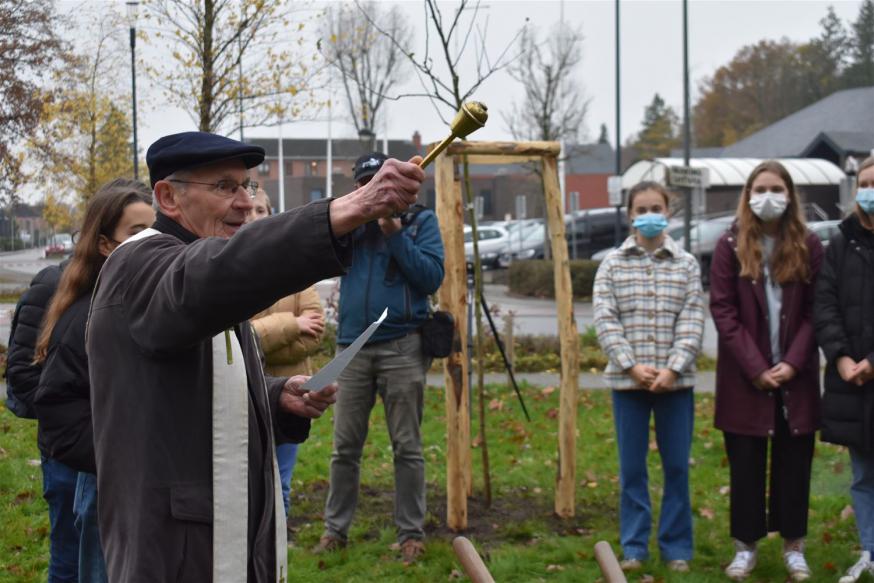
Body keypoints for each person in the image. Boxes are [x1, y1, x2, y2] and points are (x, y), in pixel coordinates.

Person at [86, 131, 424, 582]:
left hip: (214, 540)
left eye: (246, 186)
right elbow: (215, 275)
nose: (246, 202)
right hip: (176, 556)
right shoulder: (140, 266)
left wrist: (276, 395)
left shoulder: (190, 267)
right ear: (168, 196)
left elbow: (190, 385)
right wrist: (348, 209)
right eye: (225, 187)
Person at [314, 152, 444, 564]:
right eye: (366, 183)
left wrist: (394, 233)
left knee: (407, 446)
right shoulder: (346, 227)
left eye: (381, 182)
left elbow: (430, 277)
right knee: (344, 447)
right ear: (358, 188)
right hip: (351, 347)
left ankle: (411, 533)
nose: (376, 190)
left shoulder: (420, 222)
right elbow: (314, 256)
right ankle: (335, 530)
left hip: (402, 346)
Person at [33, 179, 156, 583]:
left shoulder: (148, 302)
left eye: (154, 230)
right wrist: (121, 457)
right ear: (105, 245)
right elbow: (59, 416)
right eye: (136, 233)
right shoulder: (88, 315)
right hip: (109, 488)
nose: (150, 241)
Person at [710, 160, 823, 582]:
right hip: (746, 378)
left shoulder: (809, 245)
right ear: (747, 195)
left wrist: (792, 362)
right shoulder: (729, 244)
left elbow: (817, 310)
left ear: (790, 194)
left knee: (795, 463)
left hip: (797, 378)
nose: (768, 196)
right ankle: (745, 546)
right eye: (760, 188)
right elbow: (722, 308)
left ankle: (794, 546)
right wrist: (757, 367)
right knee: (746, 463)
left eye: (776, 188)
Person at [592, 181, 704, 573]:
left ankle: (676, 547)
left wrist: (673, 367)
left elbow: (692, 319)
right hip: (628, 385)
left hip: (676, 385)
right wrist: (630, 365)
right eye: (641, 208)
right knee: (632, 470)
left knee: (676, 467)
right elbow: (605, 319)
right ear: (629, 215)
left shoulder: (686, 264)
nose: (649, 214)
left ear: (668, 212)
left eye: (656, 207)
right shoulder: (612, 264)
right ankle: (635, 546)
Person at [247, 188, 326, 527]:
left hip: (288, 399)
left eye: (260, 210)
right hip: (245, 398)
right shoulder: (217, 272)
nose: (251, 217)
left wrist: (258, 338)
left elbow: (315, 333)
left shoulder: (295, 269)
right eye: (246, 210)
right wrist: (291, 324)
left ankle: (278, 558)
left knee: (282, 483)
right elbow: (230, 339)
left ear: (271, 214)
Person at [816, 156, 874, 583]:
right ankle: (870, 551)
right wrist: (841, 357)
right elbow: (825, 304)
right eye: (865, 184)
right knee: (863, 475)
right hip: (851, 380)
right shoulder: (838, 243)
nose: (870, 192)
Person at [6, 264, 71, 582]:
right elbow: (22, 373)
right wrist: (71, 425)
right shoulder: (52, 285)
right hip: (68, 451)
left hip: (118, 449)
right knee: (68, 556)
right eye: (133, 230)